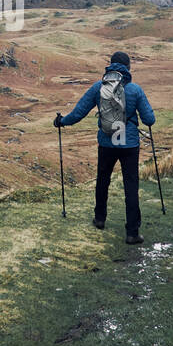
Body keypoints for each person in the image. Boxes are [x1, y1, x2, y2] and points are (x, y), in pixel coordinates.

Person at [54, 51, 155, 244]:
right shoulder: (135, 90)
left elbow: (79, 113)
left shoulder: (98, 87)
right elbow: (149, 119)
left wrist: (62, 122)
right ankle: (132, 232)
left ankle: (100, 219)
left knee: (103, 180)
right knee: (131, 187)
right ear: (128, 68)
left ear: (110, 66)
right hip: (129, 145)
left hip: (107, 143)